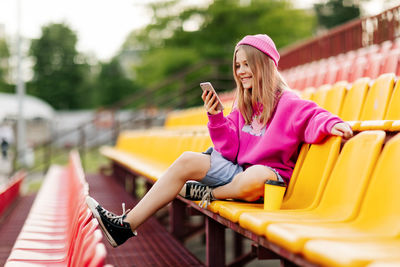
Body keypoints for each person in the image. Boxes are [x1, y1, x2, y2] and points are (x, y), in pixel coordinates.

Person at [86, 34, 353, 248]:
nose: (241, 71)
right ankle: (125, 226)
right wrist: (216, 117)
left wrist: (334, 124)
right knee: (187, 160)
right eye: (238, 65)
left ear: (264, 64)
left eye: (247, 64)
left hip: (266, 181)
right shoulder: (244, 104)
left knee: (258, 175)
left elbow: (315, 115)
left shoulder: (288, 102)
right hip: (238, 172)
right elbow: (228, 149)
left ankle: (209, 194)